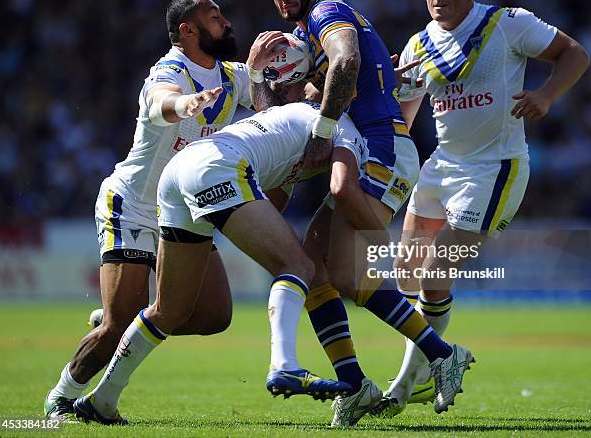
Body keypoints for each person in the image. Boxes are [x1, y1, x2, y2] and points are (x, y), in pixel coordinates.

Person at [250, 0, 473, 426]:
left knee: (352, 277)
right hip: (365, 147)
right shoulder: (300, 35)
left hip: (382, 147)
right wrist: (256, 74)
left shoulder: (326, 12)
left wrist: (324, 129)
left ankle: (440, 354)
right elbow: (285, 105)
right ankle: (355, 384)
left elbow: (346, 59)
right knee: (310, 269)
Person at [373, 0, 590, 417]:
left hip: (493, 168)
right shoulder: (418, 45)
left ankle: (409, 381)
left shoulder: (506, 23)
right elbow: (402, 121)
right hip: (441, 167)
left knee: (434, 276)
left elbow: (575, 54)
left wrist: (548, 96)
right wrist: (382, 91)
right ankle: (434, 364)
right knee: (408, 275)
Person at [72, 100, 369, 424]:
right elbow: (341, 189)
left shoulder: (292, 119)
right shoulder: (345, 129)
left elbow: (269, 205)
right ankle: (285, 366)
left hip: (179, 173)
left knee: (169, 311)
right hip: (218, 168)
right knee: (299, 267)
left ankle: (101, 400)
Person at [44, 0, 259, 421]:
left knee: (215, 315)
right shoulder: (170, 70)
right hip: (134, 204)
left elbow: (275, 94)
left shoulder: (234, 77)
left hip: (180, 209)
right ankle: (62, 396)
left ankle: (128, 317)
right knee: (116, 327)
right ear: (188, 30)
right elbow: (162, 102)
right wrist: (184, 104)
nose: (226, 22)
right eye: (214, 18)